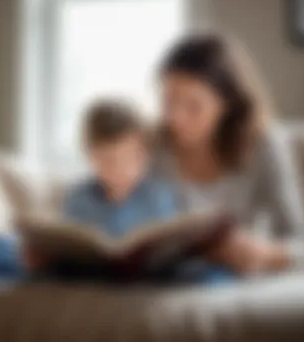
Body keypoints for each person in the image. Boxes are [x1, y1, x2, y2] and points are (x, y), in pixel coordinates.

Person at [153, 34, 304, 275]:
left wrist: (264, 253)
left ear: (227, 103)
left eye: (193, 106)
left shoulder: (264, 144)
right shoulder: (152, 144)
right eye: (169, 101)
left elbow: (303, 246)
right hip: (169, 278)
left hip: (230, 277)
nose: (176, 118)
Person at [63, 100, 234, 284]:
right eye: (108, 161)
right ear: (90, 154)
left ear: (144, 154)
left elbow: (171, 246)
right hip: (95, 276)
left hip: (156, 275)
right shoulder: (78, 199)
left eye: (130, 158)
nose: (120, 170)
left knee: (210, 274)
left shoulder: (159, 195)